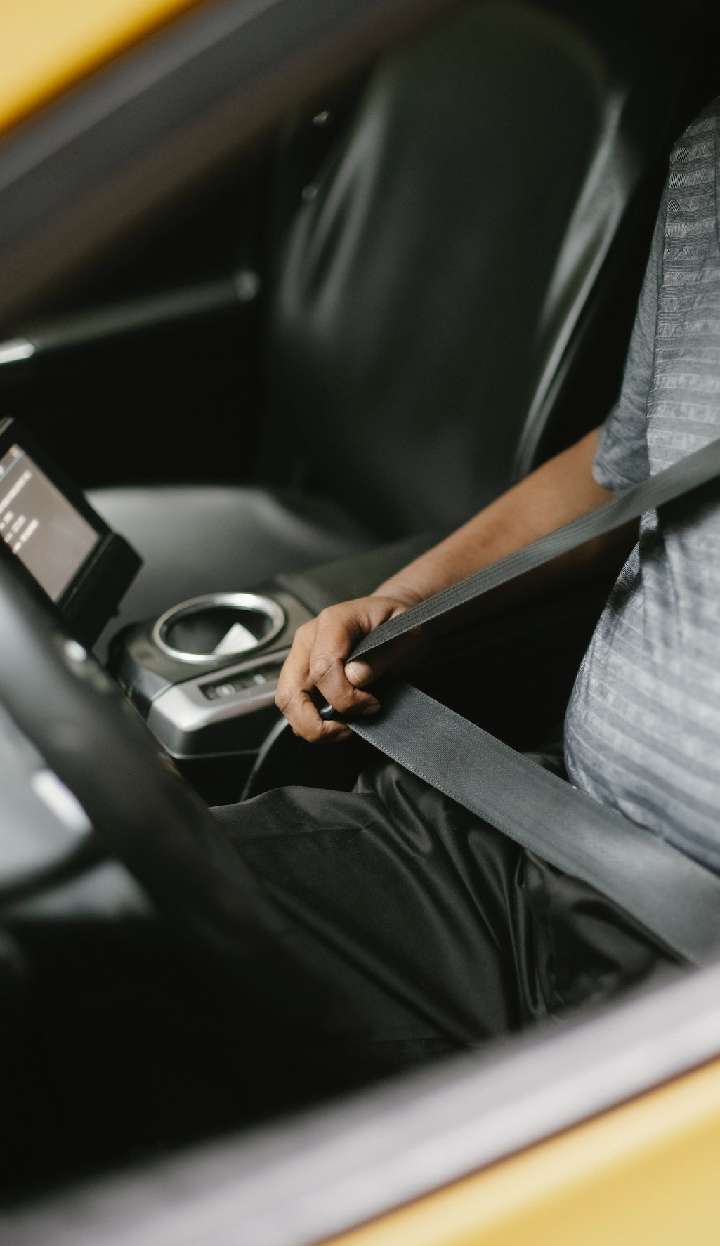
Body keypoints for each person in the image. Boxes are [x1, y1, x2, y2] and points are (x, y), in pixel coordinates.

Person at [4, 99, 720, 1179]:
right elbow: (625, 459)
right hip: (531, 839)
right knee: (74, 954)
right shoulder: (709, 156)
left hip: (692, 965)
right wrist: (412, 599)